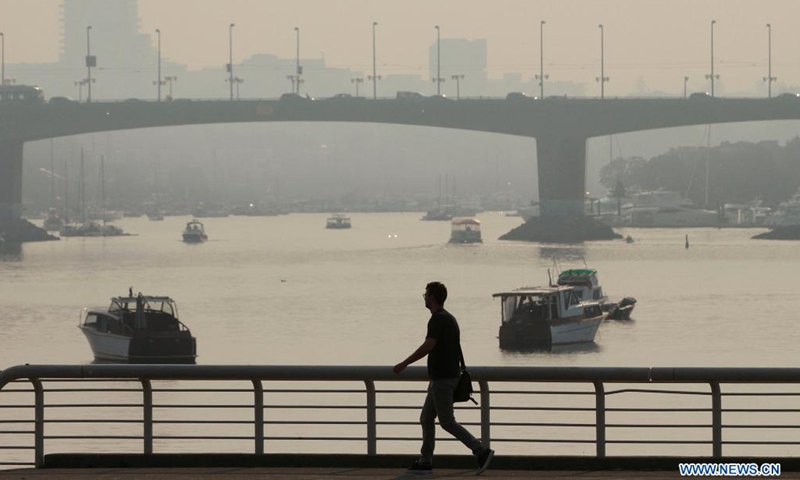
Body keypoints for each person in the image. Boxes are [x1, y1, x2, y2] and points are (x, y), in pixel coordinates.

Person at [393, 281, 494, 475]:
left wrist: (404, 363)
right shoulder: (449, 318)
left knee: (447, 421)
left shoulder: (437, 320)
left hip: (443, 379)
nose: (424, 297)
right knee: (426, 418)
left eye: (426, 294)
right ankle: (425, 461)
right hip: (443, 378)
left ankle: (480, 450)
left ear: (432, 297)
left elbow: (428, 345)